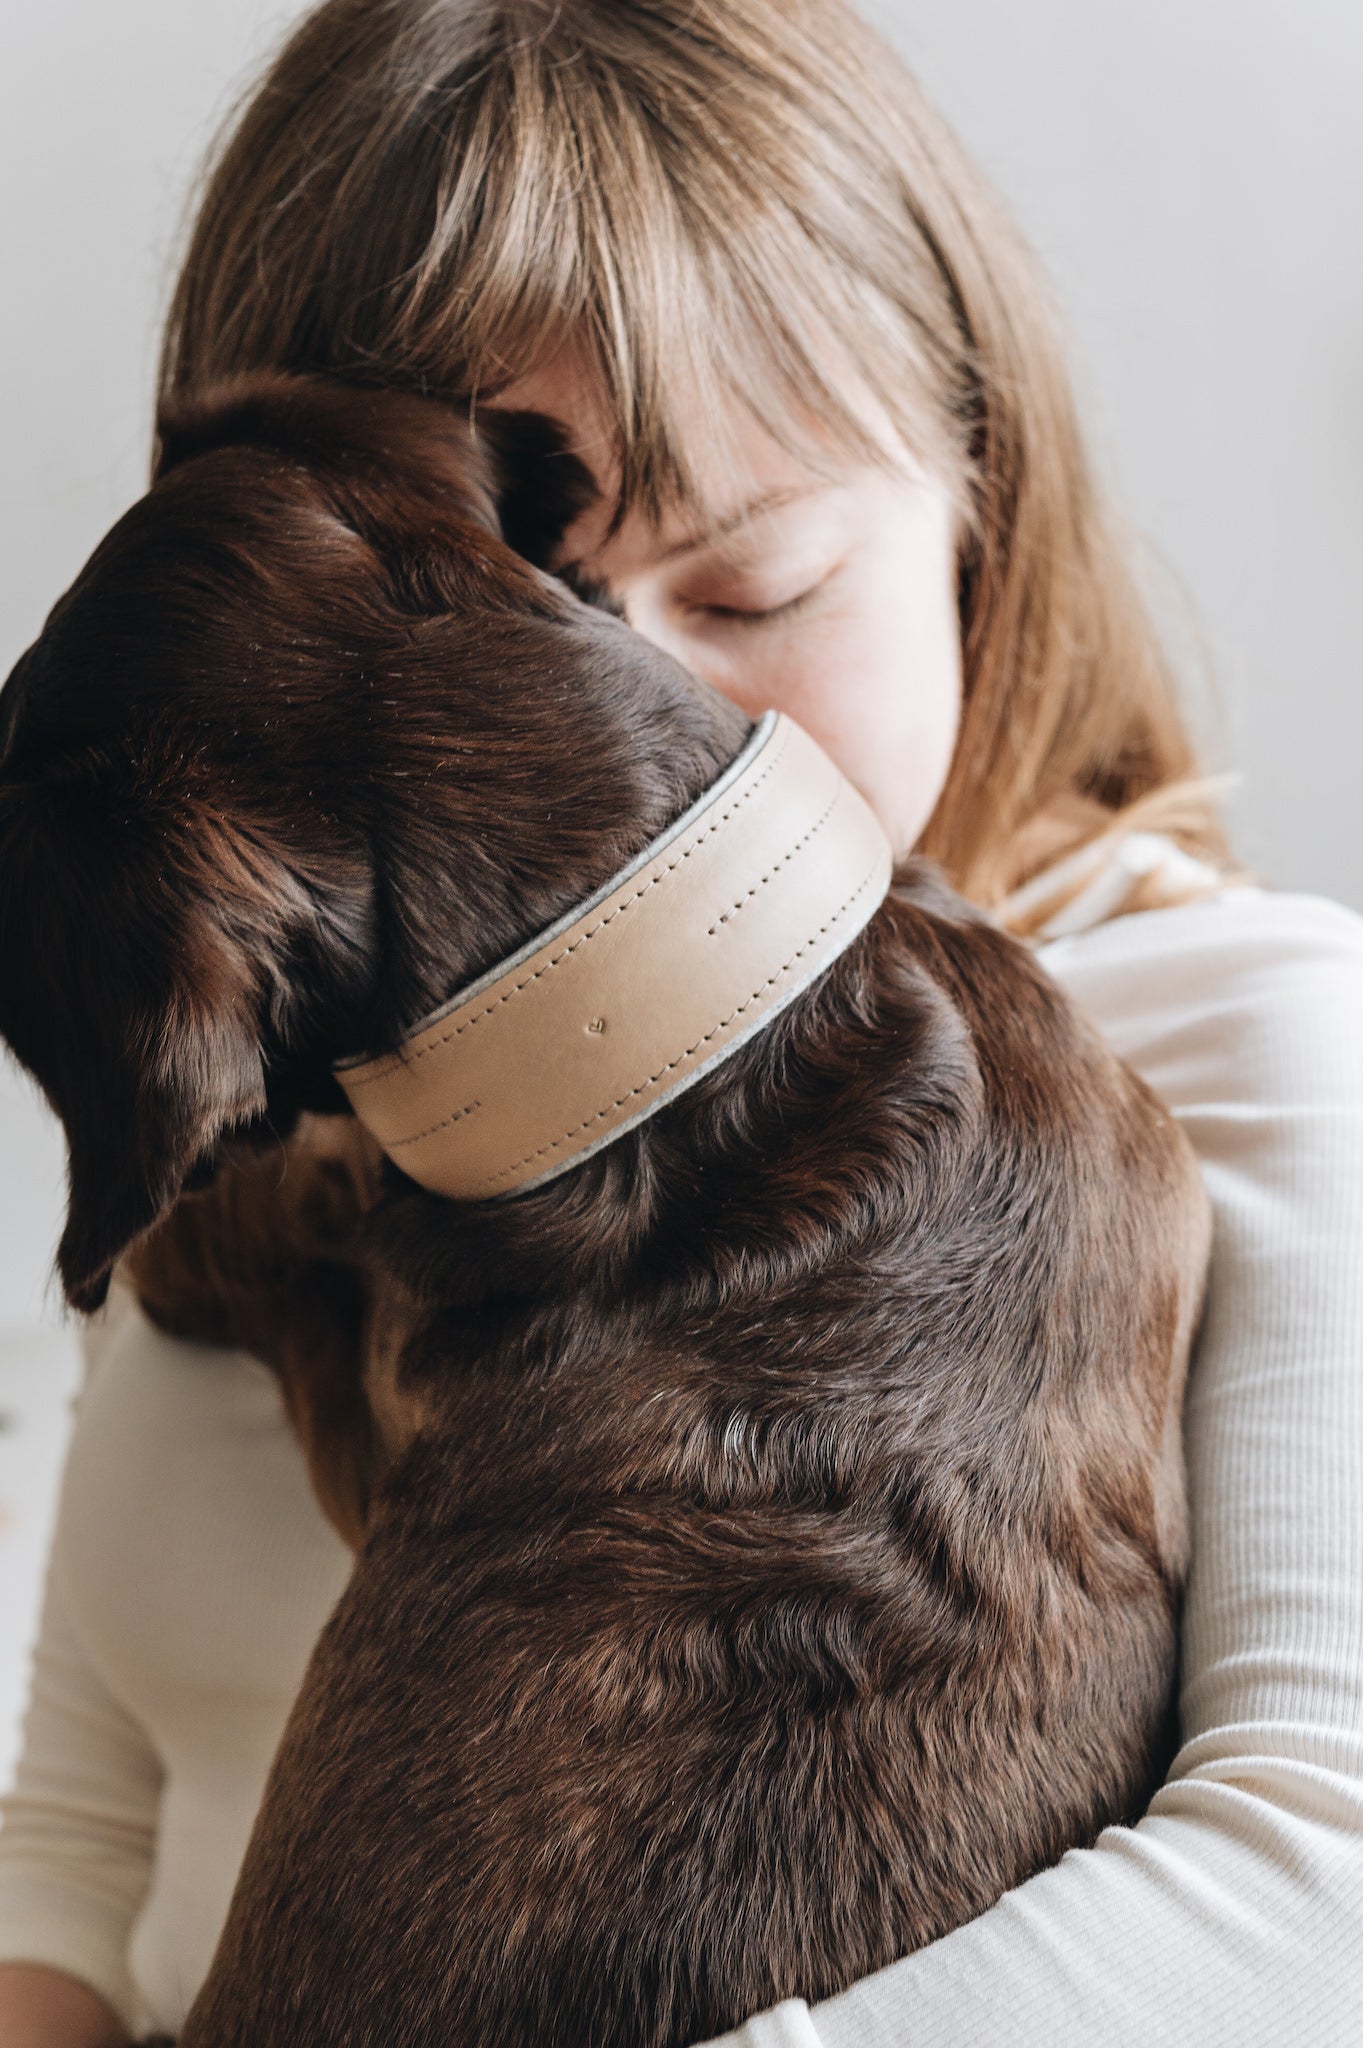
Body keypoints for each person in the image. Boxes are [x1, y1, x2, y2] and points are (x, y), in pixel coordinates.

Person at [1, 1, 1361, 2042]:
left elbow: (1315, 1889)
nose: (628, 722)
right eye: (513, 607)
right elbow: (81, 1846)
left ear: (977, 513)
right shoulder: (285, 1091)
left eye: (747, 591)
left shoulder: (1232, 1036)